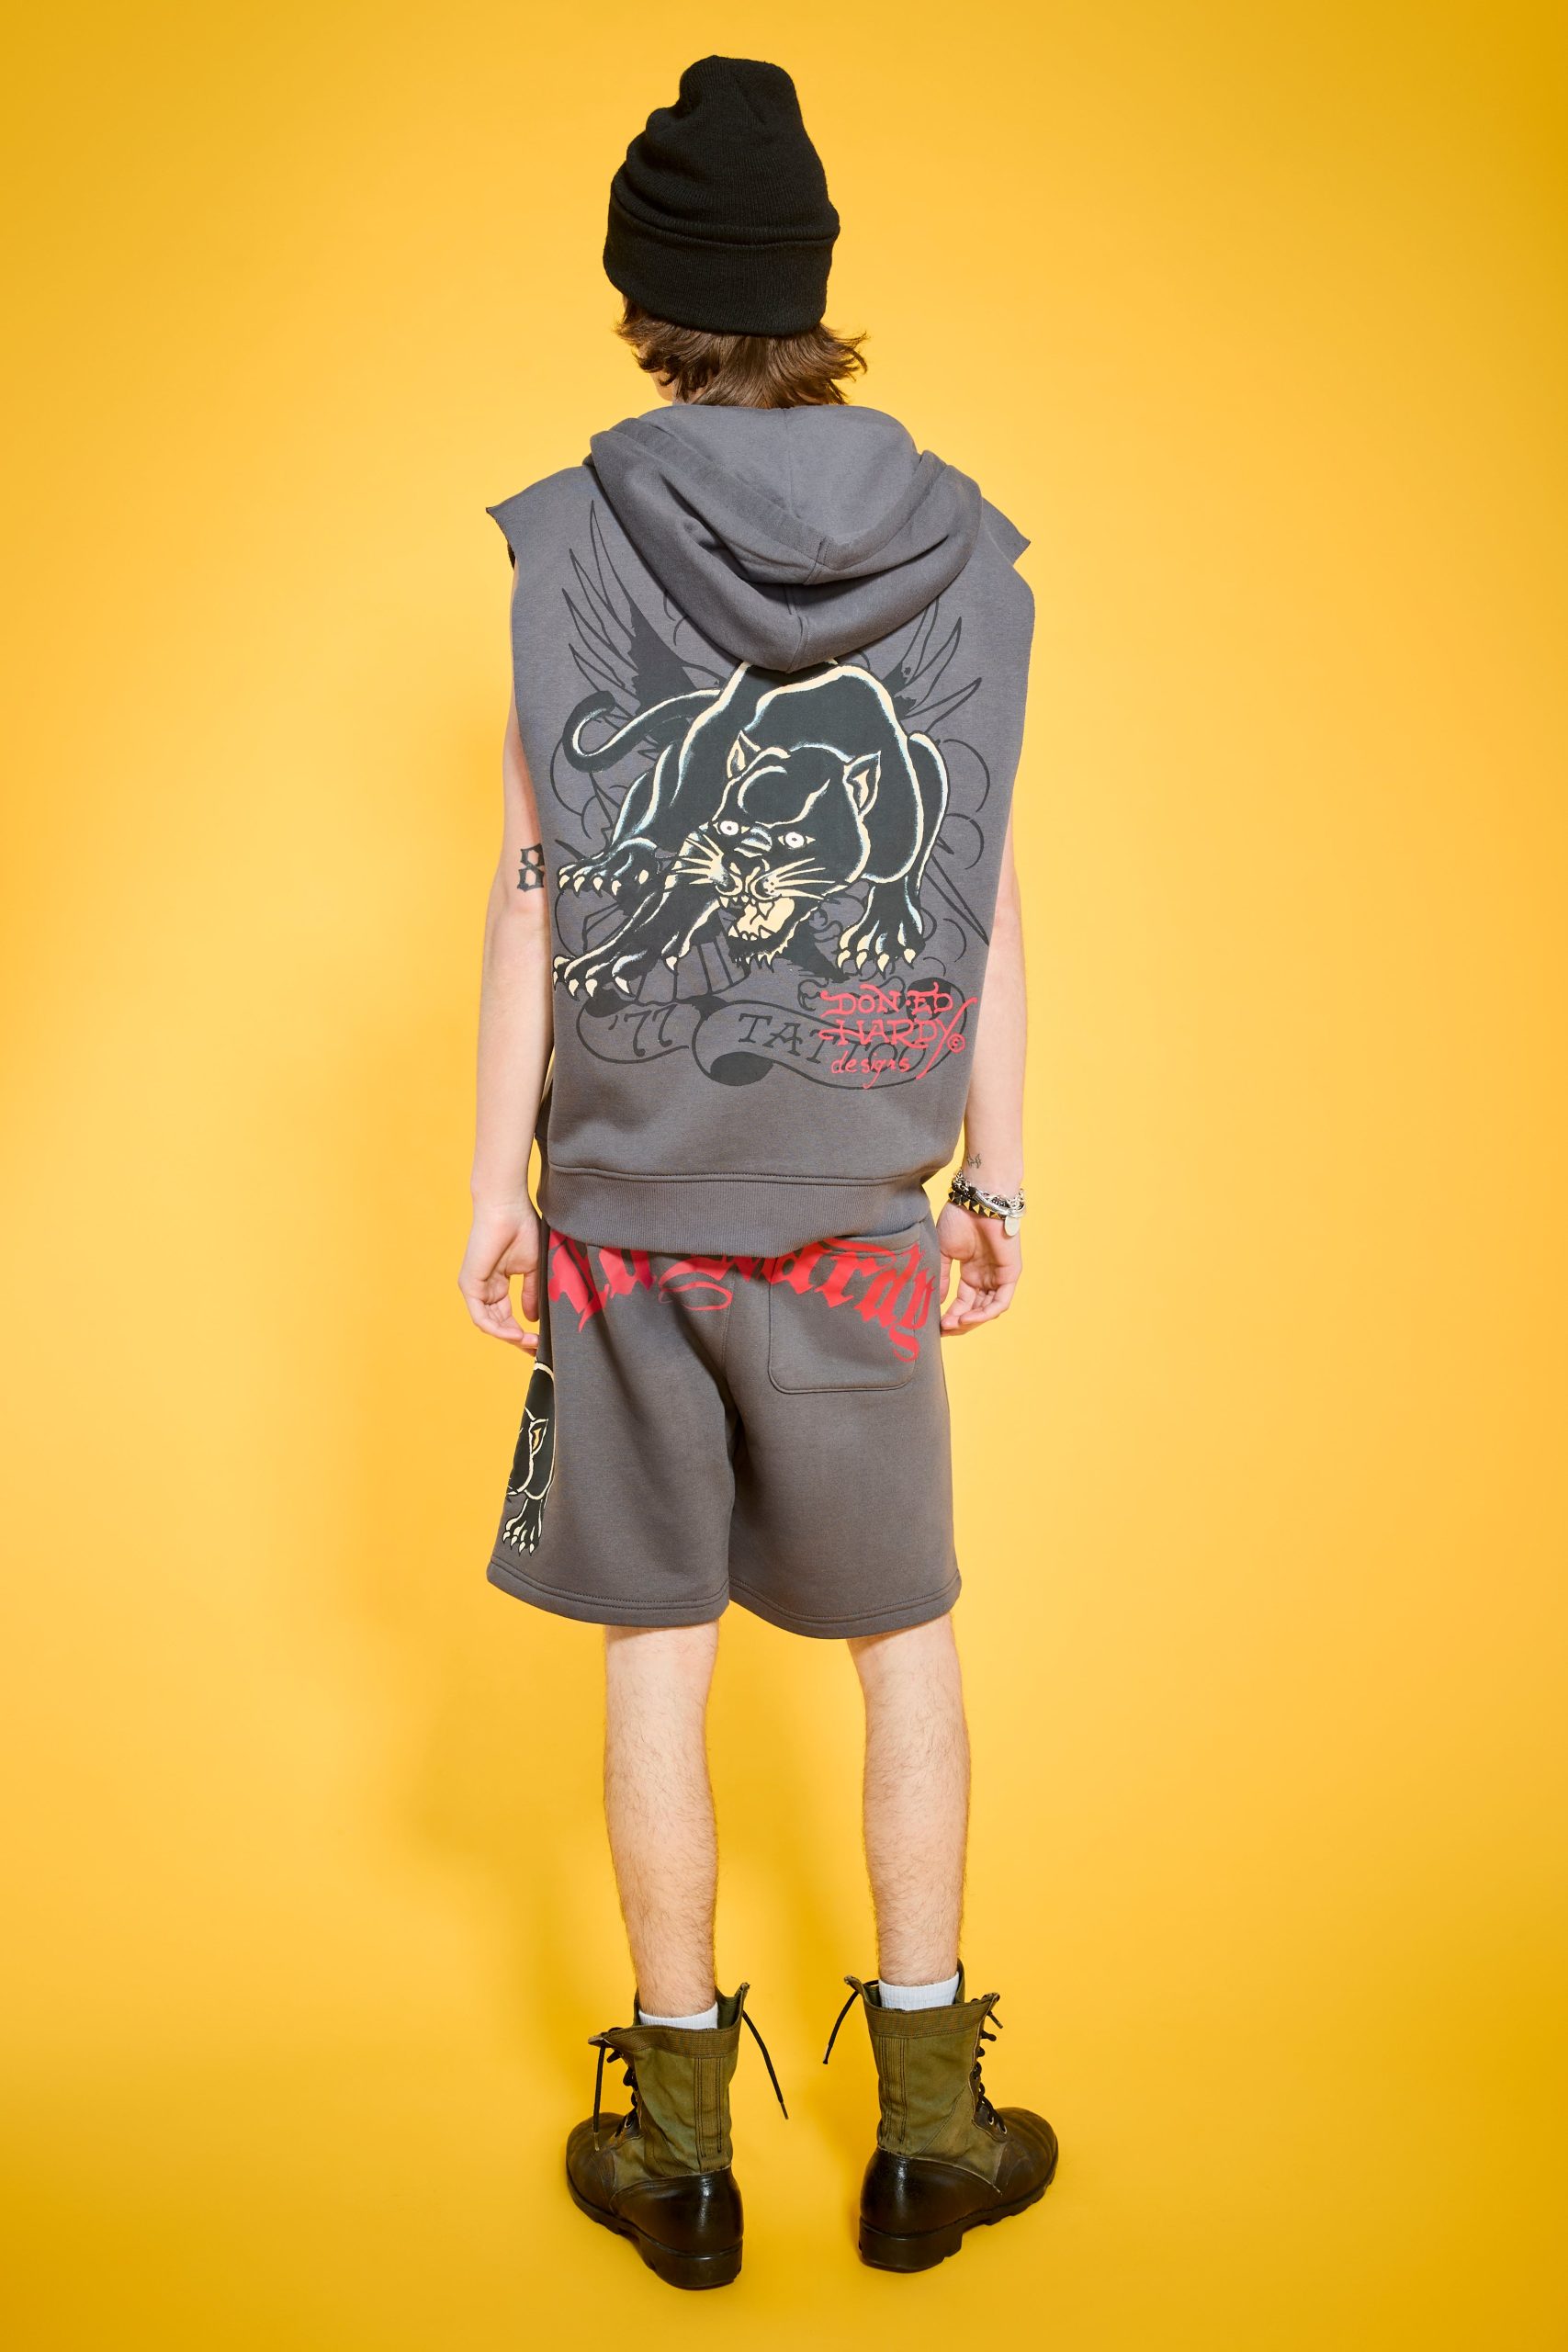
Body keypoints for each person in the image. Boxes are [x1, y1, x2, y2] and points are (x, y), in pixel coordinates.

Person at [458, 54, 1056, 2290]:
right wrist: (999, 1177)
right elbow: (984, 899)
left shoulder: (569, 540)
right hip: (857, 1218)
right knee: (903, 1645)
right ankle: (929, 2134)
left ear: (645, 294)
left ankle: (683, 2149)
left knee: (652, 1653)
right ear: (812, 290)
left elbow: (533, 890)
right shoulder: (964, 554)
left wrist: (495, 1183)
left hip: (629, 1217)